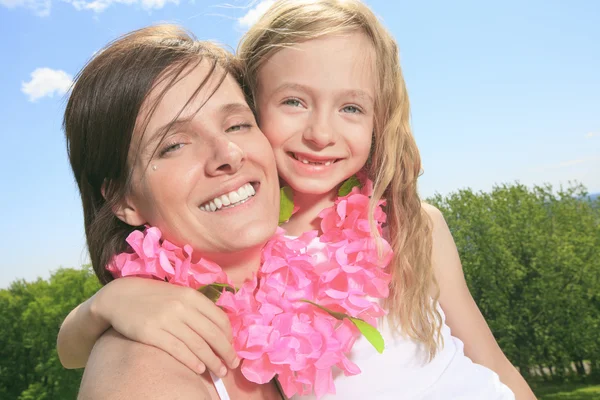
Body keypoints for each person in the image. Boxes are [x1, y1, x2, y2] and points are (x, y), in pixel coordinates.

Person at [60, 1, 537, 398]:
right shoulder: (242, 254)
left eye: (351, 108)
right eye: (293, 102)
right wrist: (104, 304)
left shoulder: (410, 224)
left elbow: (496, 366)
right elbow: (79, 353)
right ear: (259, 102)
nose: (320, 133)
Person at [63, 24, 283, 399]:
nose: (228, 154)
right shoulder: (140, 374)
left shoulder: (323, 261)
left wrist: (94, 310)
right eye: (174, 145)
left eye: (238, 124)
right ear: (122, 200)